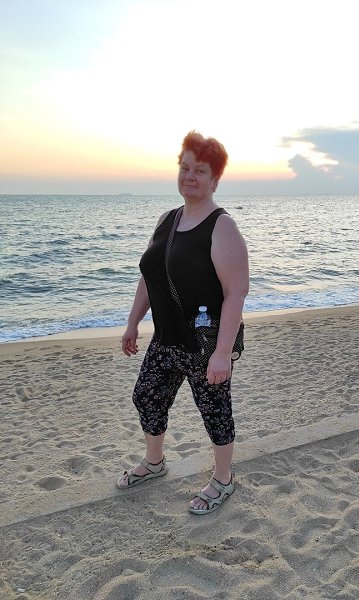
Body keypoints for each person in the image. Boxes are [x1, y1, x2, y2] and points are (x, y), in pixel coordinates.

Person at [117, 131, 249, 515]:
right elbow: (150, 277)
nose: (190, 176)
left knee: (214, 413)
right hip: (165, 339)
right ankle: (154, 463)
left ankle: (223, 479)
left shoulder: (222, 227)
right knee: (146, 397)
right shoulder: (167, 220)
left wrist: (222, 354)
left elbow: (236, 294)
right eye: (185, 167)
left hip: (204, 345)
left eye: (200, 170)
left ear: (215, 180)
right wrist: (133, 323)